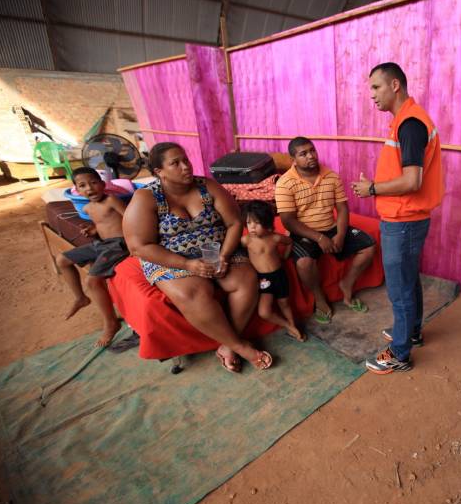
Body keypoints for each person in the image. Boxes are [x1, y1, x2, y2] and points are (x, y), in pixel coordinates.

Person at [122, 142, 272, 373]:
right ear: (159, 172)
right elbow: (139, 246)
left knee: (245, 280)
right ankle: (241, 346)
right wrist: (187, 264)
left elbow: (233, 223)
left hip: (218, 251)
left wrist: (224, 255)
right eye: (175, 163)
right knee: (194, 293)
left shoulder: (207, 186)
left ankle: (227, 345)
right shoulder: (146, 198)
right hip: (172, 258)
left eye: (186, 160)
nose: (185, 166)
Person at [351, 62, 444, 374]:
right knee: (408, 278)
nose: (372, 95)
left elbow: (412, 181)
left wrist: (372, 188)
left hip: (403, 221)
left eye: (376, 87)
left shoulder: (410, 124)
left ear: (395, 85)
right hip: (407, 219)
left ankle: (400, 353)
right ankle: (412, 331)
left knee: (400, 287)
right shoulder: (406, 121)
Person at [275, 137, 376, 324]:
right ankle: (319, 298)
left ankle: (346, 284)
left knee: (368, 247)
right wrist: (320, 238)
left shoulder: (331, 176)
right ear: (293, 160)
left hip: (331, 228)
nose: (310, 156)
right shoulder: (284, 183)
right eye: (303, 154)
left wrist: (340, 234)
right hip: (303, 232)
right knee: (304, 263)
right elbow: (288, 221)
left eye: (312, 151)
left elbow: (343, 208)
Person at [56, 167, 130, 347]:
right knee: (62, 260)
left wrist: (136, 244)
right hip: (102, 244)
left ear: (103, 184)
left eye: (94, 182)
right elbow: (104, 225)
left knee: (92, 280)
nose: (89, 188)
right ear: (77, 191)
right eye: (82, 185)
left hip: (119, 244)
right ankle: (81, 298)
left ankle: (111, 323)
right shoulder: (88, 208)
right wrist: (92, 231)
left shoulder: (111, 200)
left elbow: (130, 218)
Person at [241, 200, 305, 342]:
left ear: (267, 223)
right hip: (264, 279)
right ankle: (288, 325)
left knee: (285, 304)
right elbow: (239, 252)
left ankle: (292, 326)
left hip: (279, 275)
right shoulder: (246, 241)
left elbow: (289, 242)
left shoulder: (275, 238)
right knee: (264, 312)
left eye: (257, 223)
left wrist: (284, 256)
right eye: (249, 222)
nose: (252, 227)